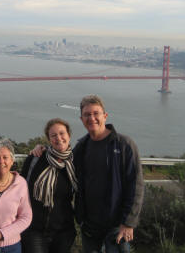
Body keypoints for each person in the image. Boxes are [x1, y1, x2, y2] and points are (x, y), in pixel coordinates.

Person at [32, 95, 144, 253]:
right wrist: (42, 149)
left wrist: (129, 222)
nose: (92, 118)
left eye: (96, 113)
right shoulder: (81, 148)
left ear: (105, 116)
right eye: (87, 115)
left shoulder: (124, 145)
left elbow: (136, 186)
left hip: (117, 225)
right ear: (81, 119)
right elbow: (61, 158)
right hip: (90, 227)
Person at [21, 118, 78, 253]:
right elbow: (20, 189)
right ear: (48, 139)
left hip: (64, 231)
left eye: (62, 133)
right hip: (34, 230)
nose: (58, 138)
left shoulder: (76, 162)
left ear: (69, 135)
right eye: (53, 135)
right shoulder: (36, 159)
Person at [0, 138, 32, 253]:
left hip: (12, 247)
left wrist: (2, 234)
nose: (1, 161)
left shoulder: (21, 184)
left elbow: (26, 217)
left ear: (12, 160)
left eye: (5, 157)